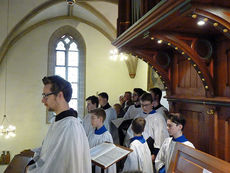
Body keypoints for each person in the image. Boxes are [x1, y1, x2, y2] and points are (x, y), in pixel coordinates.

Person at [25, 75, 91, 173]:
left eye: (45, 96)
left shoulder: (70, 127)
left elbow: (57, 166)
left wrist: (30, 170)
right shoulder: (58, 122)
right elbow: (48, 152)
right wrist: (34, 153)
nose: (42, 100)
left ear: (60, 95)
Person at [88, 108, 116, 173]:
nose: (91, 121)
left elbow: (108, 158)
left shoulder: (106, 136)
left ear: (100, 119)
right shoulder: (91, 133)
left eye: (93, 118)